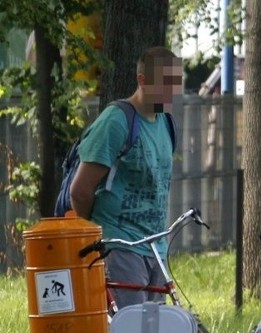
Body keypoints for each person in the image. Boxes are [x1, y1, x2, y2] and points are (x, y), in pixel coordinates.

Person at [70, 46, 183, 309]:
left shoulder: (166, 123)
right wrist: (102, 236)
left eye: (175, 83)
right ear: (142, 80)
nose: (171, 91)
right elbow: (80, 190)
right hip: (120, 247)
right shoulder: (117, 120)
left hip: (156, 249)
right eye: (164, 83)